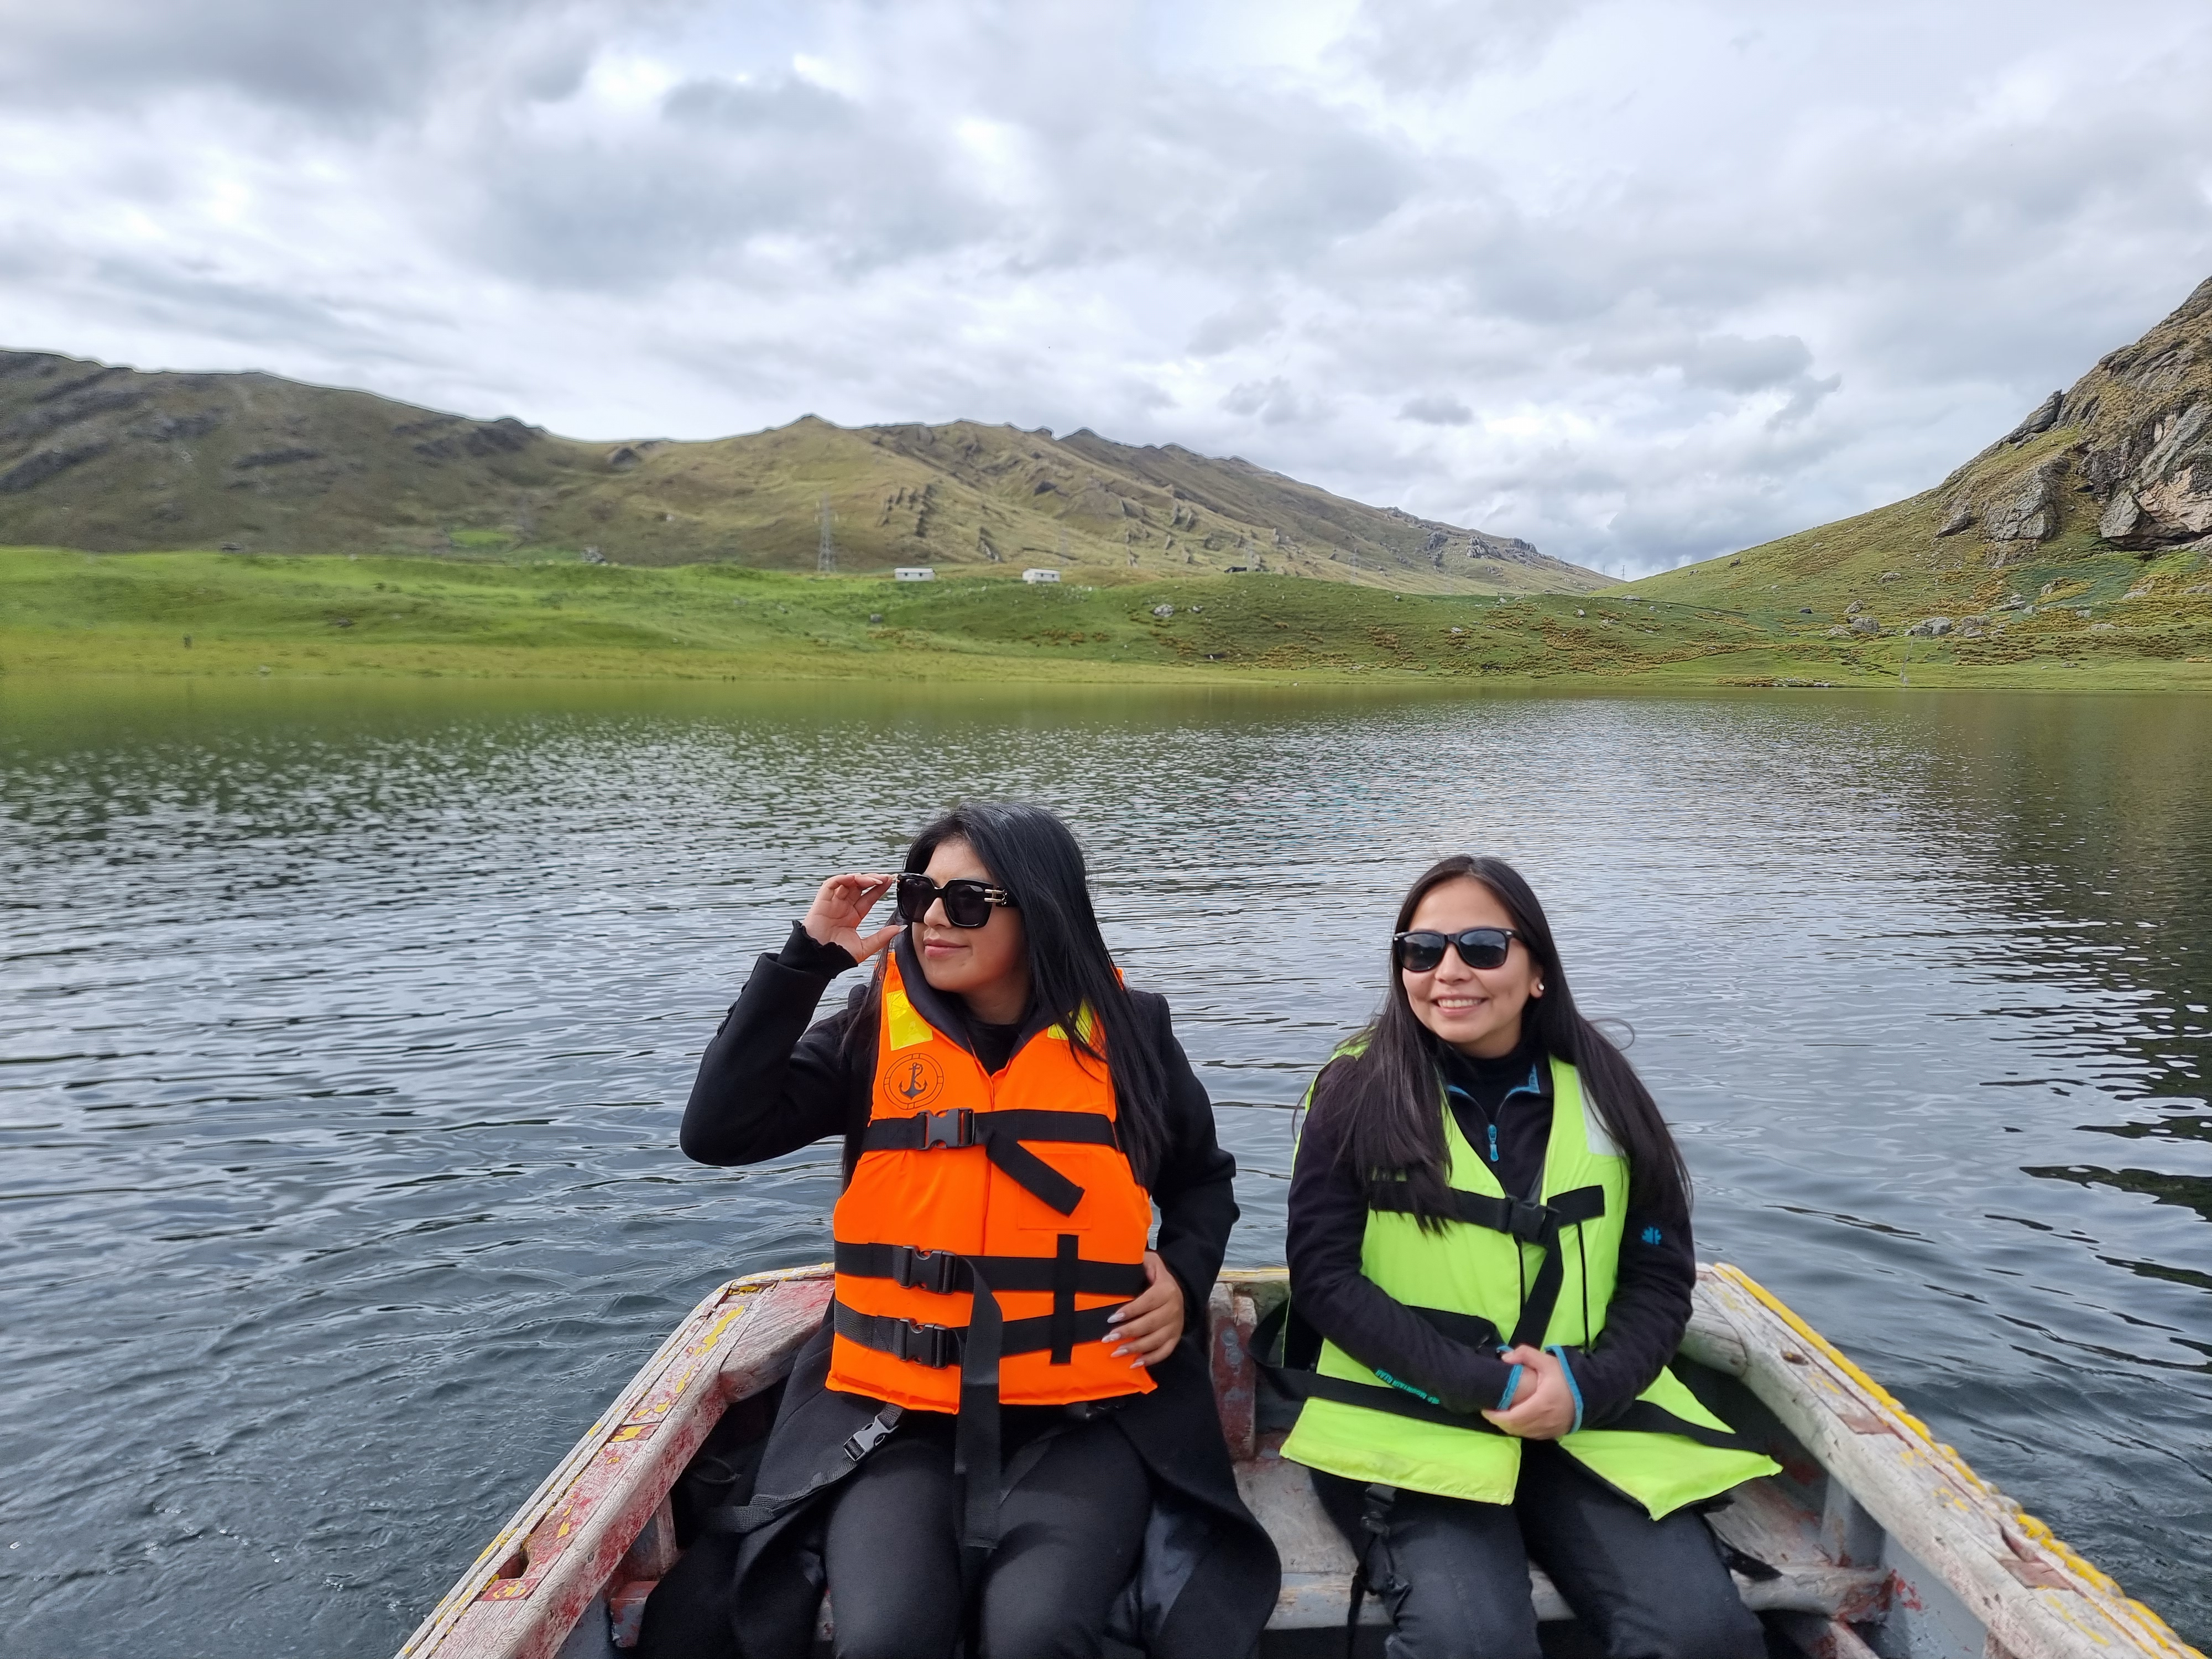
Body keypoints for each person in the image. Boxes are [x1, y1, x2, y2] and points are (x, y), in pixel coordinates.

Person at [651, 802, 1277, 1659]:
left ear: (1042, 910)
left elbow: (1202, 1181)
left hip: (1083, 1414)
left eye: (969, 901)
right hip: (896, 1411)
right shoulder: (873, 1033)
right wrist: (806, 961)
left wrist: (1184, 1271)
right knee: (887, 1637)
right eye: (919, 895)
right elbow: (716, 1131)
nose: (934, 919)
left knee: (1035, 1634)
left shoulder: (1131, 1035)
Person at [1279, 854, 1778, 1659]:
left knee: (1703, 1635)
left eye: (1481, 947)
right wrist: (1490, 1384)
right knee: (1471, 1641)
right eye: (1421, 950)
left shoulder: (1607, 1092)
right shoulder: (1354, 1093)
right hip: (1409, 1420)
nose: (1448, 972)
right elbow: (1324, 1279)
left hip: (1588, 1417)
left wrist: (1584, 1389)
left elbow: (1658, 1276)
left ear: (1537, 969)